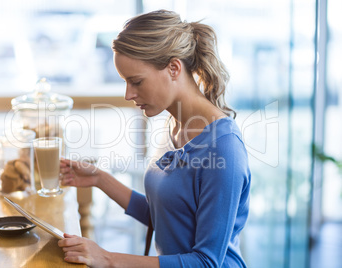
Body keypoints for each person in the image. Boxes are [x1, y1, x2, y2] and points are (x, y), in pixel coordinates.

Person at [58, 9, 251, 268]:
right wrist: (99, 178)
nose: (128, 94)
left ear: (173, 68)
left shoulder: (224, 148)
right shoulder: (173, 126)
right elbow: (164, 215)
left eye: (136, 81)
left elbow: (206, 262)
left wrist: (108, 258)